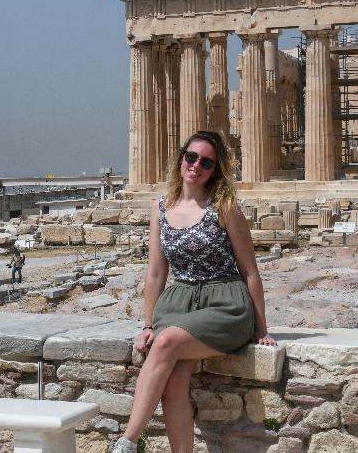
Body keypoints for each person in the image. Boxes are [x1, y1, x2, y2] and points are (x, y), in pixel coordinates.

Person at [111, 131, 274, 453]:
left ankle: (127, 442)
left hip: (224, 304)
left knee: (168, 341)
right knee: (173, 384)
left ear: (216, 169)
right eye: (191, 156)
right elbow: (157, 271)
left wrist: (261, 328)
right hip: (178, 303)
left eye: (206, 162)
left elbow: (250, 271)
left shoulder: (225, 207)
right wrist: (146, 324)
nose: (196, 165)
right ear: (181, 158)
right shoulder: (160, 208)